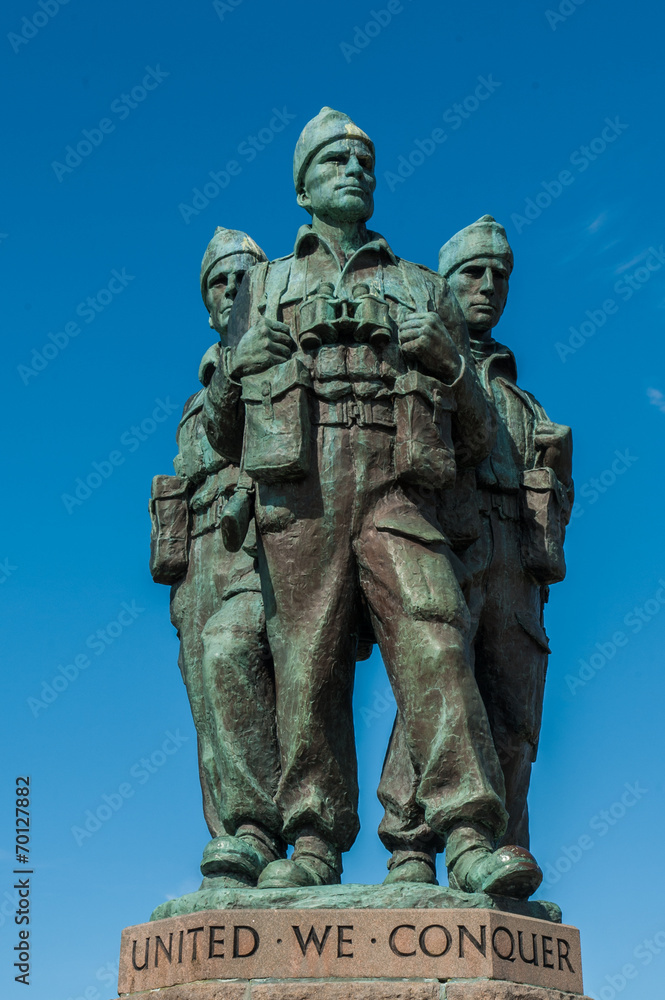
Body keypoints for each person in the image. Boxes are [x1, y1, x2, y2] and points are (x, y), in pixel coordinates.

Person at [203, 110, 542, 898]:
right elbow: (224, 434)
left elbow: (474, 437)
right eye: (332, 159)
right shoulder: (266, 284)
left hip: (394, 484)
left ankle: (463, 833)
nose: (351, 168)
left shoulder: (422, 285)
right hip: (301, 490)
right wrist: (232, 371)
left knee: (433, 635)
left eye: (363, 158)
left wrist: (449, 368)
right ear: (301, 183)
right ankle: (313, 838)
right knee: (306, 662)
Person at [378, 216, 573, 883]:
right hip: (448, 543)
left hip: (516, 561)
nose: (487, 285)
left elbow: (556, 501)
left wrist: (558, 468)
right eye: (472, 271)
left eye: (499, 275)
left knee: (514, 715)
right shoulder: (417, 362)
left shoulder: (524, 399)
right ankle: (411, 844)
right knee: (435, 687)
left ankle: (505, 847)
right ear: (443, 280)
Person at [149, 228, 285, 887]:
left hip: (259, 545)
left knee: (240, 664)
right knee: (210, 701)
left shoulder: (283, 366)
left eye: (241, 277)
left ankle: (265, 829)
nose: (230, 289)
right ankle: (234, 842)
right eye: (217, 282)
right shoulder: (196, 397)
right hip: (196, 559)